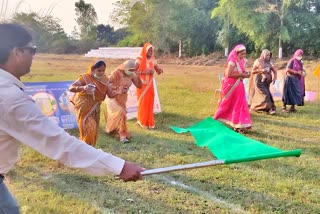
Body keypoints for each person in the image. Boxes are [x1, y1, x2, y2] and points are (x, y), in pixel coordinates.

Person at [0, 23, 143, 213]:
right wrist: (120, 166)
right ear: (16, 51)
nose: (33, 55)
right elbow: (58, 142)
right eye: (32, 50)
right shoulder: (9, 97)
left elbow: (110, 92)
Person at [69, 60, 120, 147]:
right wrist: (84, 88)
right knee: (90, 128)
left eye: (103, 70)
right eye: (99, 70)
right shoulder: (86, 77)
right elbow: (71, 87)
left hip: (95, 109)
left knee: (92, 132)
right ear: (93, 70)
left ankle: (87, 148)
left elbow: (110, 94)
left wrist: (119, 91)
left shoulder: (105, 80)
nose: (101, 73)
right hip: (84, 106)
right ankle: (86, 148)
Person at [213, 44, 252, 133]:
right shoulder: (232, 61)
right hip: (231, 85)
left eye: (244, 54)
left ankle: (239, 125)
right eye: (241, 54)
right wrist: (241, 75)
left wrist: (245, 74)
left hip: (239, 84)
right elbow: (228, 74)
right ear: (237, 53)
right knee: (228, 103)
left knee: (240, 104)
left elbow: (241, 71)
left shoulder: (242, 61)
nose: (243, 56)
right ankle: (219, 118)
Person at [104, 60, 142, 143]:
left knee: (121, 114)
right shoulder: (116, 73)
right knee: (122, 113)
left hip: (123, 98)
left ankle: (113, 130)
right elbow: (106, 85)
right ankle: (122, 135)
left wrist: (138, 77)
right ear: (125, 68)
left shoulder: (132, 74)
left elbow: (139, 86)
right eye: (130, 70)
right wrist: (118, 88)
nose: (132, 72)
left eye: (133, 70)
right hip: (113, 97)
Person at [135, 43, 163, 129]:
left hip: (150, 85)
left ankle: (149, 122)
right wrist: (145, 72)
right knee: (143, 103)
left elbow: (157, 69)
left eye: (151, 50)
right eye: (149, 50)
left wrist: (159, 70)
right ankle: (142, 121)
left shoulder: (153, 59)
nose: (150, 52)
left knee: (149, 103)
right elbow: (134, 72)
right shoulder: (139, 60)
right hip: (141, 85)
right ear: (145, 51)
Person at [249, 49, 277, 114]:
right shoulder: (258, 61)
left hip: (266, 83)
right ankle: (269, 110)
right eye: (267, 55)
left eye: (269, 55)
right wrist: (261, 71)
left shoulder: (269, 63)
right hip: (258, 81)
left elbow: (275, 70)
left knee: (267, 95)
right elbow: (253, 71)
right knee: (266, 94)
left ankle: (255, 108)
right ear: (263, 54)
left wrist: (275, 78)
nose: (268, 57)